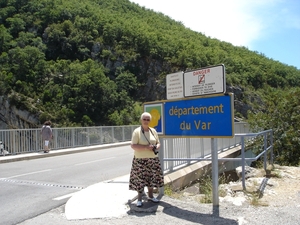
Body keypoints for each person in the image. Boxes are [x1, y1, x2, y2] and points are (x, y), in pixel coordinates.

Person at [129, 112, 164, 207]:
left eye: (148, 119)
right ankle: (140, 198)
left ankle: (151, 196)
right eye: (144, 119)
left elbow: (158, 142)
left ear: (150, 121)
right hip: (140, 160)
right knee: (140, 180)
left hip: (153, 159)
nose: (146, 121)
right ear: (141, 120)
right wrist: (146, 147)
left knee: (151, 178)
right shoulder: (137, 132)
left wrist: (156, 146)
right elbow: (133, 145)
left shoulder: (153, 131)